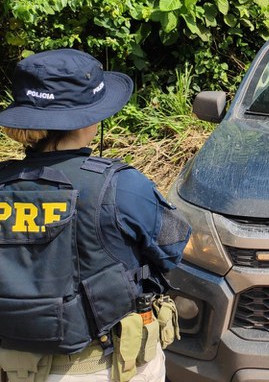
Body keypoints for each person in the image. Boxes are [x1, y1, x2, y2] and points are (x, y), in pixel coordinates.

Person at [0, 49, 191, 382]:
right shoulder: (122, 186)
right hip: (105, 367)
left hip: (15, 368)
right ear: (88, 120)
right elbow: (176, 249)